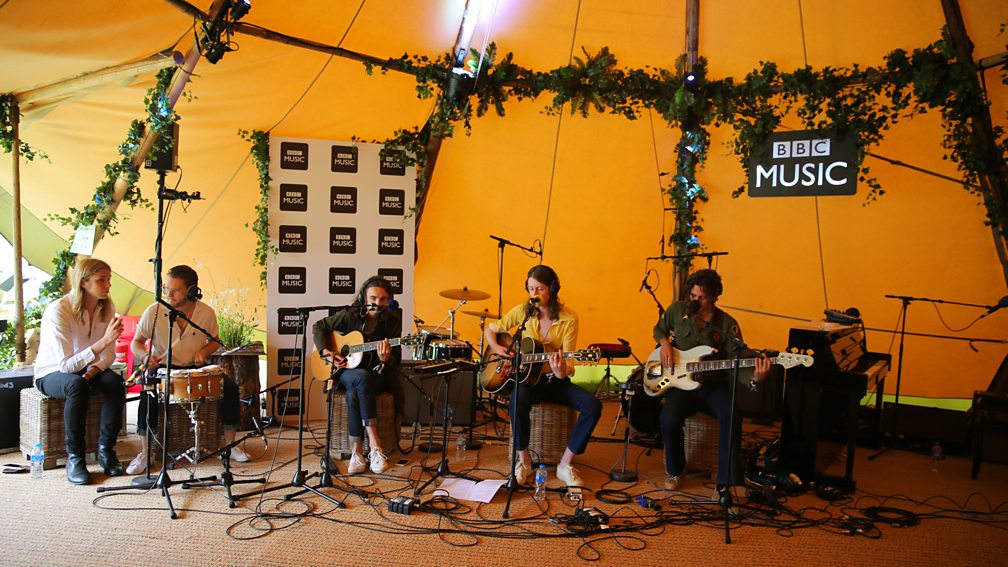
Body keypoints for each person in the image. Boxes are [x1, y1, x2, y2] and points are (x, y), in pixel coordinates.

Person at [652, 269, 770, 491]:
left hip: (714, 385)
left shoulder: (726, 324)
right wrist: (665, 344)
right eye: (693, 296)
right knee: (668, 418)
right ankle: (675, 470)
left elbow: (737, 358)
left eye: (702, 297)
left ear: (715, 296)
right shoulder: (678, 310)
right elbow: (659, 329)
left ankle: (726, 483)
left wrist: (755, 377)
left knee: (732, 415)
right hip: (682, 383)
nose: (696, 301)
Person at [484, 264, 601, 488]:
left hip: (555, 381)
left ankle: (565, 464)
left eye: (539, 289)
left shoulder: (569, 319)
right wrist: (498, 348)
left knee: (593, 406)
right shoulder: (523, 311)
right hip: (529, 381)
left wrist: (562, 370)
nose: (534, 294)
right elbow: (491, 329)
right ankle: (524, 461)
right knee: (517, 399)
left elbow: (569, 363)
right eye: (530, 289)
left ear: (552, 289)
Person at [126, 265, 247, 475]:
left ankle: (229, 446)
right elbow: (136, 342)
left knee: (229, 388)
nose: (168, 294)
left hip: (193, 368)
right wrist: (145, 357)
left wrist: (204, 350)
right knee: (147, 392)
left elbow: (215, 340)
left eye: (175, 290)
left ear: (191, 291)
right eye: (166, 289)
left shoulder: (206, 313)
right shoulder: (154, 311)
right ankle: (146, 453)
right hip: (163, 367)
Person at [34, 257, 126, 484]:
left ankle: (106, 450)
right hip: (51, 372)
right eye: (101, 280)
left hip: (87, 368)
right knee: (76, 385)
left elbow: (109, 355)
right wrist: (104, 341)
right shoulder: (59, 310)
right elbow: (66, 365)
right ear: (84, 282)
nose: (108, 285)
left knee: (116, 383)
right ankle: (75, 457)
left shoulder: (107, 307)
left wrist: (93, 371)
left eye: (109, 279)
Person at [312, 275, 402, 475]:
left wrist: (385, 359)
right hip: (344, 371)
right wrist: (326, 353)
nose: (377, 303)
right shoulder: (350, 315)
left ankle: (357, 452)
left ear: (389, 300)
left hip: (376, 374)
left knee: (356, 389)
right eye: (373, 298)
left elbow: (395, 359)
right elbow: (319, 326)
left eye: (383, 299)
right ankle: (376, 446)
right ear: (363, 297)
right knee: (360, 378)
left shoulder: (392, 322)